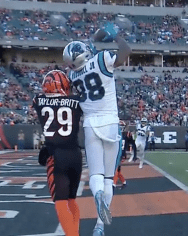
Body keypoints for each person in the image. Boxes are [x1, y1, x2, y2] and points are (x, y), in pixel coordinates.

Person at [63, 22, 131, 236]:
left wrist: (94, 42)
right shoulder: (102, 59)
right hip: (110, 122)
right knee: (109, 177)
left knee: (96, 174)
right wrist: (115, 36)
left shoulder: (72, 76)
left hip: (90, 124)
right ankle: (99, 226)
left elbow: (76, 65)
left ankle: (97, 193)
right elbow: (126, 52)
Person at [33, 70, 83, 236]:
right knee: (71, 201)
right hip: (75, 154)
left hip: (56, 156)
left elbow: (41, 97)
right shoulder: (77, 101)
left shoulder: (38, 101)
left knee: (61, 203)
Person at [113, 120, 127, 190]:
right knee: (117, 171)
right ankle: (123, 182)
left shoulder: (123, 135)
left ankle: (114, 184)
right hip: (118, 153)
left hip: (119, 154)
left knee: (115, 170)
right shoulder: (123, 134)